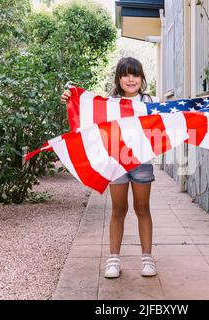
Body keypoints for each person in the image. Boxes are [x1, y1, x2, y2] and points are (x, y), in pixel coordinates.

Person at [61, 57, 158, 278]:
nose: (130, 79)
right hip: (116, 163)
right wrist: (70, 99)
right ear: (118, 79)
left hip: (142, 163)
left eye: (135, 74)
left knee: (142, 208)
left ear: (142, 78)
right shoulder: (110, 103)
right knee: (118, 209)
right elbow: (88, 116)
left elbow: (168, 120)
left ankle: (147, 259)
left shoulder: (150, 101)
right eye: (125, 74)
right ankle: (113, 260)